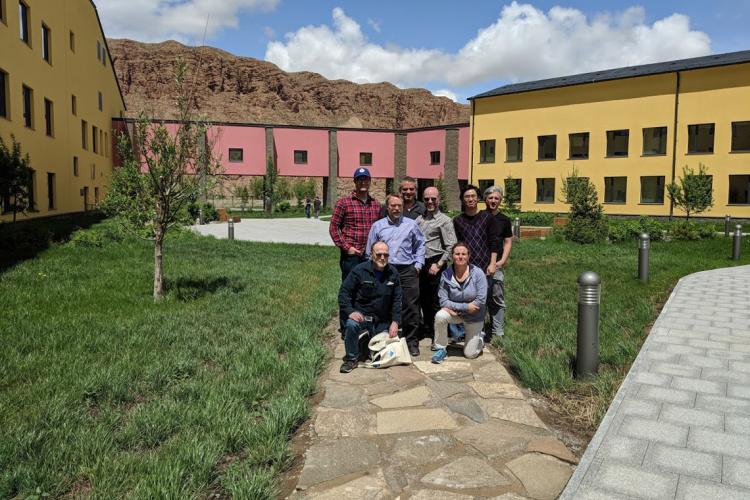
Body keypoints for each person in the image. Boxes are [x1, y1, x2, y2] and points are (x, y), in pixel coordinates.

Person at [367, 193, 425, 356]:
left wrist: (418, 264)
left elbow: (420, 244)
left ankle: (411, 341)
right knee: (383, 304)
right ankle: (382, 338)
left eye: (399, 205)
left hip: (407, 269)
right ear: (387, 207)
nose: (397, 208)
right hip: (385, 269)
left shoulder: (411, 224)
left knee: (411, 306)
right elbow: (369, 250)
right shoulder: (378, 226)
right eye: (393, 205)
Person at [338, 241, 402, 373]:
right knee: (351, 324)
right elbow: (344, 293)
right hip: (362, 318)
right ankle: (351, 358)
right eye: (379, 255)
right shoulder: (359, 270)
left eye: (386, 255)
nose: (382, 258)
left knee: (380, 355)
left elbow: (397, 300)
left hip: (382, 321)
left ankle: (364, 343)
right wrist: (350, 312)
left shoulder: (393, 273)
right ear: (371, 254)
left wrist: (395, 322)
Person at [432, 242, 488, 363]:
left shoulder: (478, 274)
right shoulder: (445, 275)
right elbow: (443, 300)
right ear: (452, 256)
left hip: (474, 316)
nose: (460, 257)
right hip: (454, 314)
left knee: (470, 354)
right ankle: (440, 348)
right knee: (440, 315)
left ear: (469, 256)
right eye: (457, 254)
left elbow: (481, 300)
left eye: (463, 254)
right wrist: (466, 306)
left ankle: (480, 338)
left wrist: (453, 306)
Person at [416, 186, 457, 347]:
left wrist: (439, 264)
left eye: (433, 199)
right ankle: (427, 327)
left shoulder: (445, 221)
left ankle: (438, 335)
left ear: (439, 199)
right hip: (421, 262)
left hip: (436, 262)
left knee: (436, 301)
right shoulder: (420, 219)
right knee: (423, 298)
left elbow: (451, 246)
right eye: (427, 199)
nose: (430, 202)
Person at [329, 167, 382, 281]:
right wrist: (347, 248)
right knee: (350, 286)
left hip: (370, 255)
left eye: (365, 179)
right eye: (359, 179)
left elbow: (380, 229)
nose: (363, 182)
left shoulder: (376, 204)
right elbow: (334, 227)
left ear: (370, 181)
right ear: (355, 181)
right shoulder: (343, 203)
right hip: (351, 255)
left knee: (369, 286)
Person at [453, 184, 501, 282]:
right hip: (465, 266)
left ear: (478, 198)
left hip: (485, 266)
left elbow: (494, 242)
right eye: (467, 197)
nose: (470, 199)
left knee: (485, 296)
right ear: (462, 199)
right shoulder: (457, 220)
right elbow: (457, 244)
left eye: (473, 196)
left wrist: (492, 264)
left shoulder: (487, 217)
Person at [484, 186, 514, 341]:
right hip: (481, 264)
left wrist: (502, 260)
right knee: (480, 298)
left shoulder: (504, 220)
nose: (493, 201)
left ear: (500, 200)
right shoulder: (480, 216)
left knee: (497, 297)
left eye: (496, 198)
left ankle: (498, 332)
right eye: (490, 198)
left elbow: (508, 242)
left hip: (497, 265)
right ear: (485, 200)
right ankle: (479, 331)